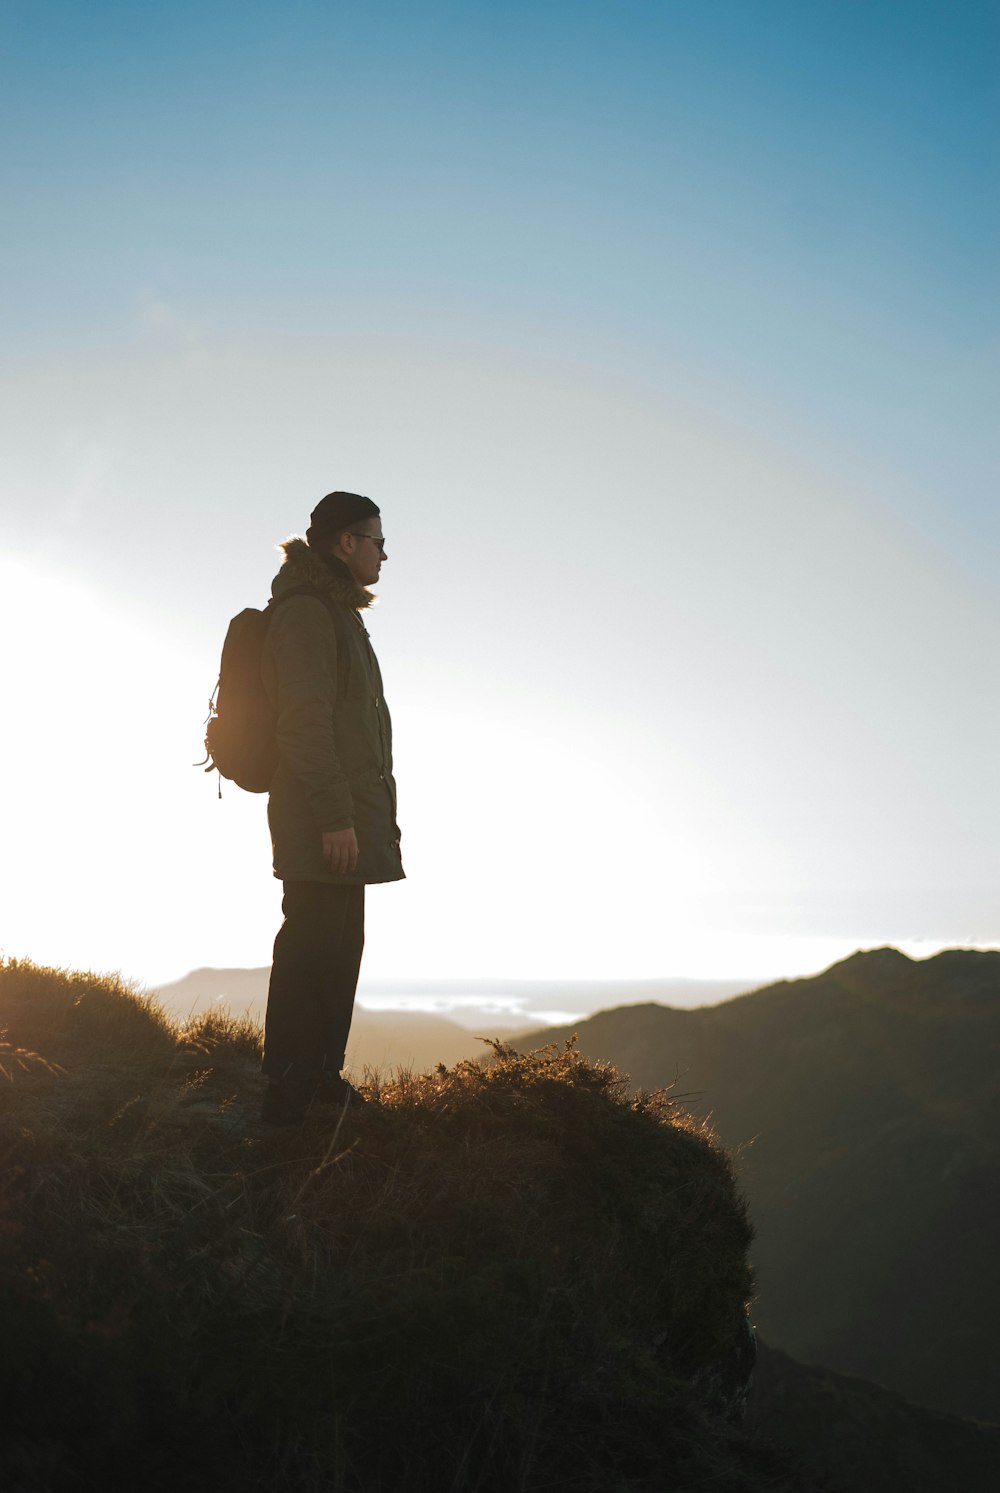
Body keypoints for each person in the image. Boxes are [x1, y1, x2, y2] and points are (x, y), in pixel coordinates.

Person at [258, 490, 403, 1124]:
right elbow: (303, 724)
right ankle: (290, 1091)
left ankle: (320, 1080)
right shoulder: (309, 613)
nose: (384, 554)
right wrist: (335, 816)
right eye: (376, 540)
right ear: (346, 542)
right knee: (313, 945)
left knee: (339, 946)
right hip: (324, 819)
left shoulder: (337, 612)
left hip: (343, 816)